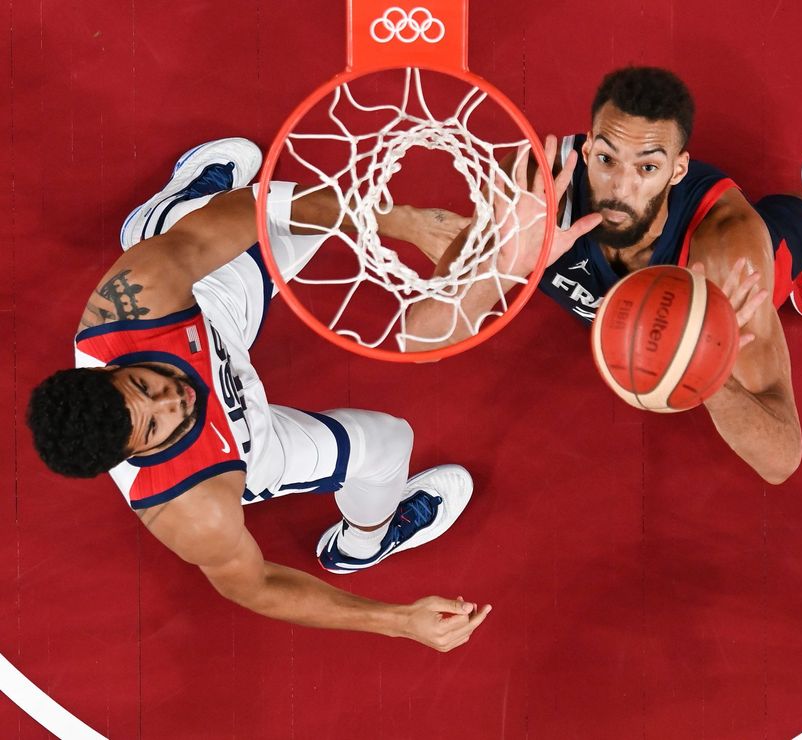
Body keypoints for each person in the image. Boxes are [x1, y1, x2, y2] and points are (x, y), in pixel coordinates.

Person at [24, 137, 588, 649]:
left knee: (255, 220)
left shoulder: (134, 302)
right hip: (244, 445)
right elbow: (257, 587)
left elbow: (243, 212)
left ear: (107, 367)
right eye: (154, 426)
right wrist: (397, 621)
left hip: (208, 315)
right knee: (389, 441)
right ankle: (364, 543)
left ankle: (161, 221)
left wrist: (398, 220)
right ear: (133, 453)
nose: (175, 401)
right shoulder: (191, 506)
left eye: (143, 386)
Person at [429, 67, 802, 484]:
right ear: (586, 151)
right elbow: (425, 334)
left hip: (730, 267)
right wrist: (502, 268)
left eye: (647, 167)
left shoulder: (727, 250)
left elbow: (782, 459)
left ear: (678, 170)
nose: (620, 188)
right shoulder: (534, 193)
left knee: (782, 237)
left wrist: (703, 365)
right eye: (607, 159)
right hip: (622, 283)